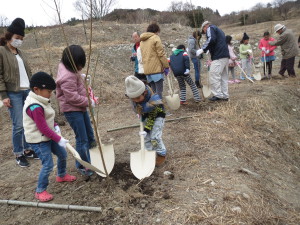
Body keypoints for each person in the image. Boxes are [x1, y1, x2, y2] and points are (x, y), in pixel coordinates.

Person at [23, 72, 76, 202]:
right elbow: (42, 128)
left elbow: (47, 118)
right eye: (49, 91)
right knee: (48, 164)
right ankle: (40, 190)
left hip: (48, 135)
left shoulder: (42, 100)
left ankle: (61, 175)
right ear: (37, 89)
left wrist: (55, 125)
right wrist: (59, 138)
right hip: (38, 140)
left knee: (62, 154)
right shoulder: (34, 106)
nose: (51, 94)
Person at [0, 18, 38, 167]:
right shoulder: (2, 51)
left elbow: (28, 72)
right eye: (17, 38)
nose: (19, 41)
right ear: (10, 36)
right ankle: (18, 153)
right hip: (13, 93)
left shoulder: (21, 53)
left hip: (26, 92)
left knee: (28, 122)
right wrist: (4, 95)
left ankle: (28, 150)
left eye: (21, 39)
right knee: (18, 125)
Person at [56, 45, 96, 176]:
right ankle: (83, 165)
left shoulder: (70, 68)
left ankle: (91, 158)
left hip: (80, 107)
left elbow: (77, 89)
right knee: (82, 138)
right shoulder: (67, 76)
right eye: (79, 65)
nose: (81, 68)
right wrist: (89, 102)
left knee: (90, 134)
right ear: (71, 63)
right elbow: (72, 97)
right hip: (72, 110)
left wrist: (80, 79)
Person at [125, 76, 166, 166]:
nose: (136, 101)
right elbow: (135, 107)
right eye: (133, 99)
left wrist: (146, 129)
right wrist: (139, 112)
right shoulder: (134, 96)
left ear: (144, 92)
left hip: (157, 116)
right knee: (146, 137)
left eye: (138, 98)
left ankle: (161, 153)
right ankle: (149, 153)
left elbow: (152, 118)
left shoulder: (154, 100)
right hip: (145, 115)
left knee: (154, 137)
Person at [196, 21, 230, 101]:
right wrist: (209, 49)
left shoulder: (210, 28)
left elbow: (211, 39)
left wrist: (203, 49)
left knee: (214, 74)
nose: (205, 33)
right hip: (225, 56)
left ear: (205, 27)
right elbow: (216, 42)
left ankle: (218, 95)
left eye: (204, 31)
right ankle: (225, 95)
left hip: (218, 56)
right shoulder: (219, 30)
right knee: (223, 77)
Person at [140, 23, 169, 99]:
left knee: (153, 91)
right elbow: (161, 54)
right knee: (159, 91)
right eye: (158, 32)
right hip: (156, 69)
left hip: (147, 70)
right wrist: (166, 66)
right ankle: (159, 108)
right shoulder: (155, 38)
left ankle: (154, 108)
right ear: (156, 31)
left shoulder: (142, 41)